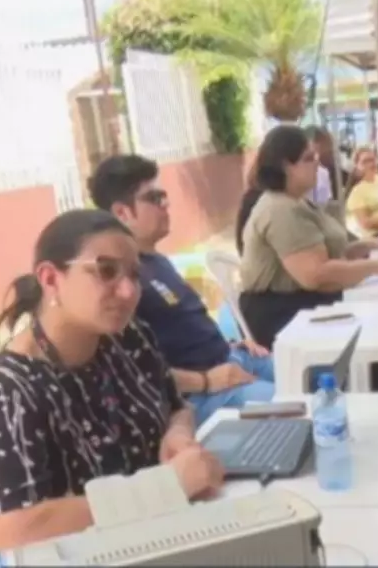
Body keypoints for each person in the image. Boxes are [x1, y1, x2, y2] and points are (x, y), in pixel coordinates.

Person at [0, 209, 225, 551]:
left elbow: (178, 408)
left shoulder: (130, 339)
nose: (128, 291)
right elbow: (14, 531)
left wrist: (177, 435)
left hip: (171, 537)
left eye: (134, 275)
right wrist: (165, 487)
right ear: (50, 279)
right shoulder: (6, 392)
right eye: (106, 271)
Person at [88, 155, 275, 424]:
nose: (165, 205)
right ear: (122, 213)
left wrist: (229, 344)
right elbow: (135, 371)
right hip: (201, 393)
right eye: (154, 198)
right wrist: (206, 380)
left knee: (317, 376)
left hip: (231, 359)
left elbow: (186, 324)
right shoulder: (122, 285)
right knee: (303, 408)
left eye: (164, 196)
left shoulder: (158, 262)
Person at [239, 125, 378, 391]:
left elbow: (326, 252)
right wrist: (375, 266)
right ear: (285, 166)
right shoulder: (281, 209)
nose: (317, 163)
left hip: (302, 301)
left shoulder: (297, 201)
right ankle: (359, 401)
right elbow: (315, 275)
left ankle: (369, 396)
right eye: (308, 158)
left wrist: (364, 246)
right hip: (281, 313)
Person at [346, 146, 378, 238]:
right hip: (377, 236)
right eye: (366, 161)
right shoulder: (357, 192)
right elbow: (365, 223)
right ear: (357, 166)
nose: (371, 164)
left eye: (373, 160)